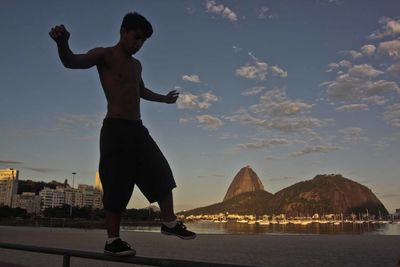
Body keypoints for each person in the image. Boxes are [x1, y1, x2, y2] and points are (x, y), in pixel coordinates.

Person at [49, 12, 196, 257]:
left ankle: (169, 223)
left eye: (143, 42)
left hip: (137, 128)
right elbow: (72, 61)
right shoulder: (104, 55)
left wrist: (165, 100)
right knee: (116, 183)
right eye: (136, 38)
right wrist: (62, 43)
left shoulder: (136, 65)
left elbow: (142, 91)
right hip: (115, 129)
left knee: (161, 171)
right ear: (123, 31)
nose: (138, 45)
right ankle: (113, 240)